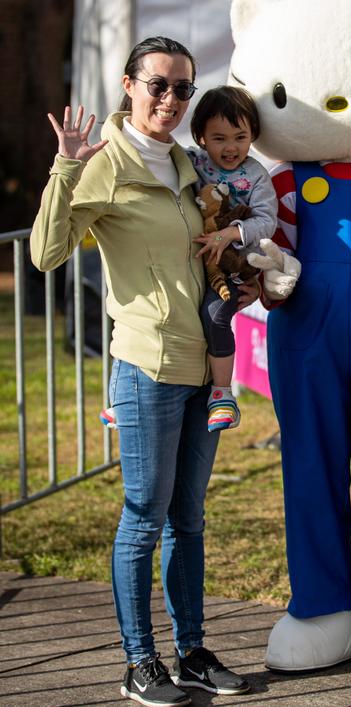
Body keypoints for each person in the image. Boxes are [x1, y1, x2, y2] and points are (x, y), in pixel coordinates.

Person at [30, 36, 252, 706]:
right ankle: (138, 661)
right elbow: (46, 252)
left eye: (183, 88)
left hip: (201, 366)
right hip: (146, 366)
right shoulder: (105, 162)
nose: (171, 99)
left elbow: (203, 247)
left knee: (189, 517)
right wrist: (65, 168)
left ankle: (191, 650)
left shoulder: (188, 161)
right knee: (143, 517)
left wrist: (231, 279)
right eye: (158, 85)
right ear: (128, 85)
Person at [186, 86, 276, 431]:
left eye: (241, 137)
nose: (231, 147)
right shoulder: (192, 161)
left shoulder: (255, 175)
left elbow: (267, 220)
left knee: (215, 314)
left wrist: (231, 233)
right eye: (219, 138)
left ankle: (222, 393)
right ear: (201, 137)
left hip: (236, 265)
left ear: (253, 134)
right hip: (197, 262)